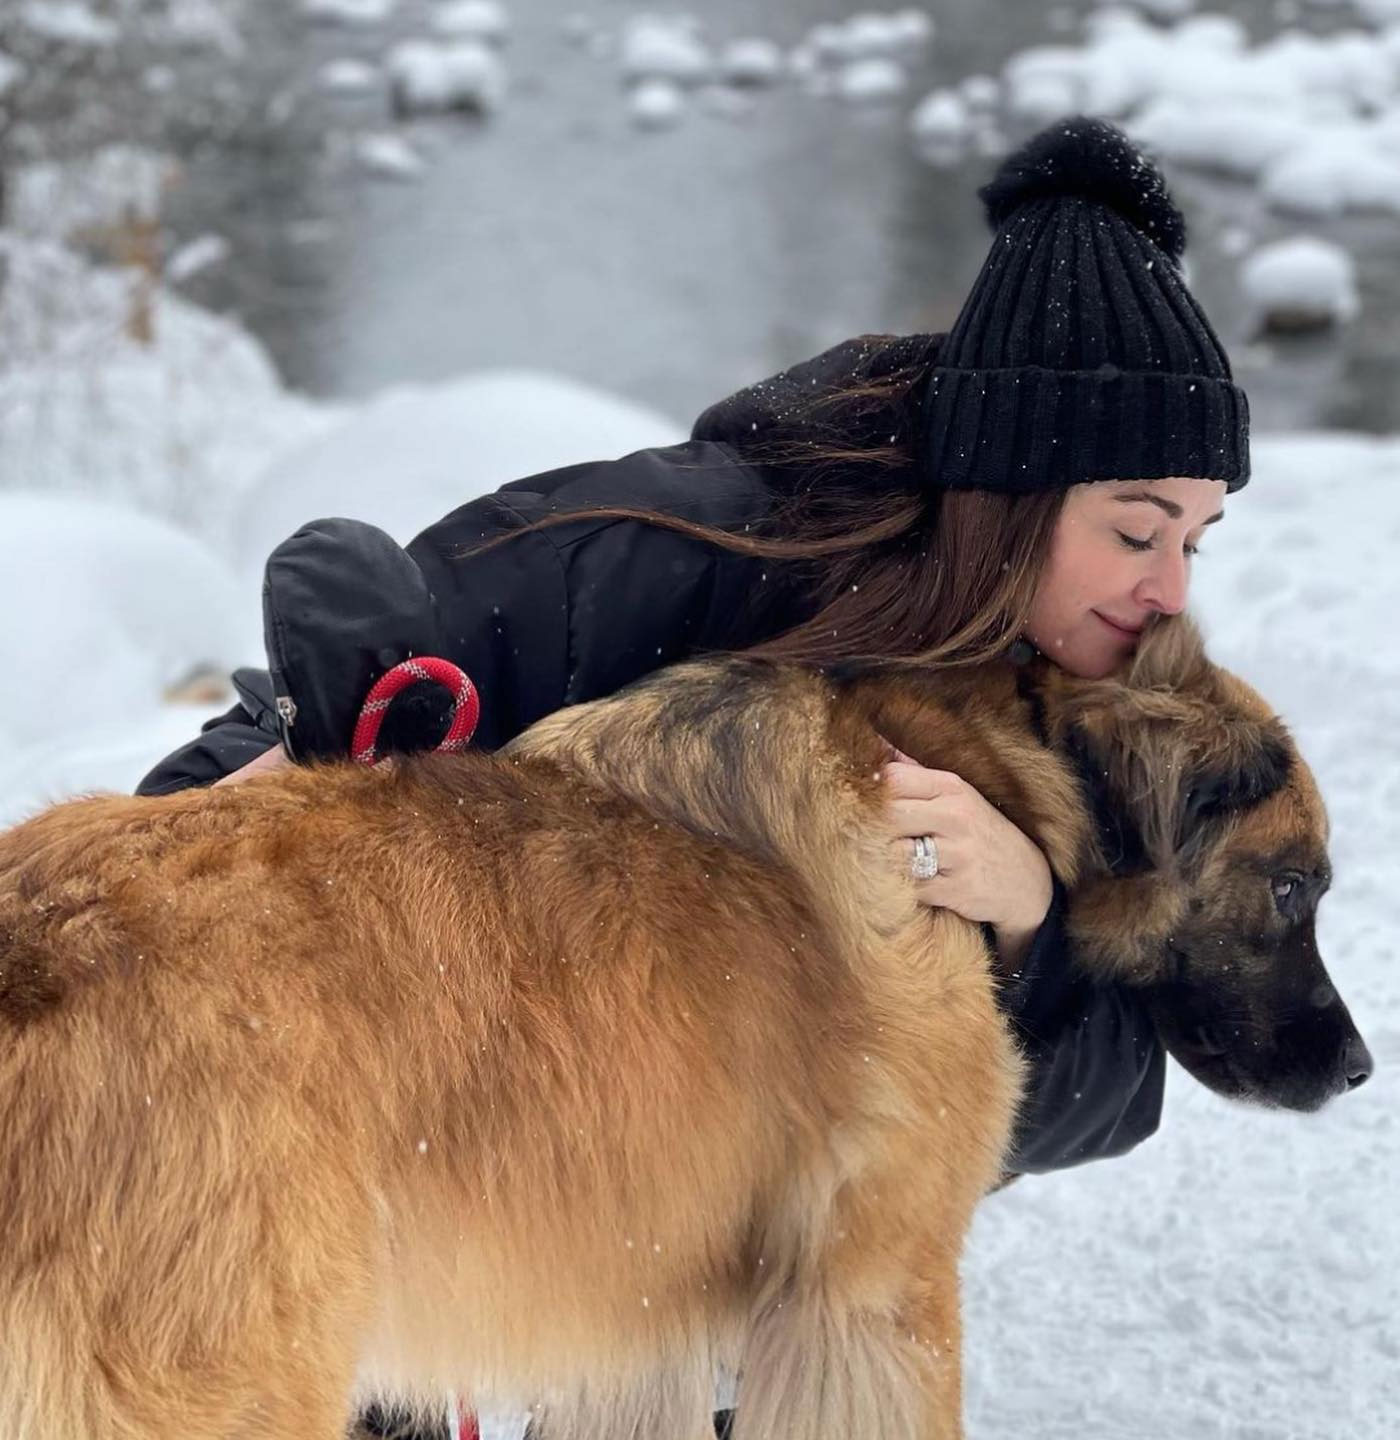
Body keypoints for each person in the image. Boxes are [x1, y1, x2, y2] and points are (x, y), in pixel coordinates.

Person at [136, 116, 1249, 1437]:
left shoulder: (1080, 694)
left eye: (1196, 540)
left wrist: (1028, 918)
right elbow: (207, 788)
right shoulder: (677, 549)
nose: (1170, 588)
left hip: (703, 1206)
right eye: (1137, 530)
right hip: (417, 1124)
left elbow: (1113, 1092)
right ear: (1013, 495)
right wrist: (329, 747)